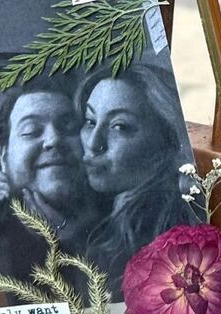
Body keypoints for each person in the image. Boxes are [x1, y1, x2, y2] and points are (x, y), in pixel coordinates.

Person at [77, 62, 198, 297]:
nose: (93, 143)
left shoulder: (158, 236)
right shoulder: (106, 214)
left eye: (119, 126)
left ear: (167, 141)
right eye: (90, 121)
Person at [0, 80, 108, 283]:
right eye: (31, 131)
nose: (54, 139)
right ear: (4, 157)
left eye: (69, 127)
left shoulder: (127, 222)